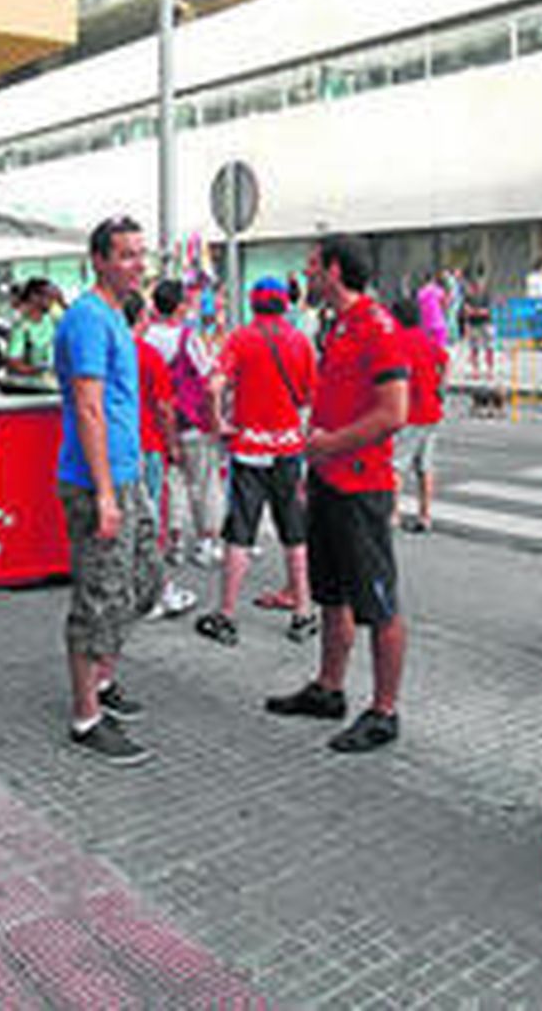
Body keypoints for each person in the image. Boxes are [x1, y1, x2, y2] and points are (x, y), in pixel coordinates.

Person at [266, 234, 410, 754]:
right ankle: (329, 689)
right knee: (332, 594)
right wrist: (317, 460)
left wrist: (330, 445)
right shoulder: (339, 326)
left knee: (379, 604)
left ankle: (384, 710)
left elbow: (394, 413)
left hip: (361, 485)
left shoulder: (379, 328)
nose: (305, 276)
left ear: (332, 270)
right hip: (328, 480)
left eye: (310, 266)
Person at [55, 217, 160, 766]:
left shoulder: (118, 314)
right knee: (98, 597)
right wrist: (104, 495)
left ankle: (102, 676)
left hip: (126, 471)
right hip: (97, 478)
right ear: (98, 259)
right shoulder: (88, 319)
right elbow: (90, 407)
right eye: (126, 255)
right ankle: (85, 715)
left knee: (144, 582)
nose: (138, 264)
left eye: (141, 254)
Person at [194, 276, 318, 647]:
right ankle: (303, 614)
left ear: (253, 303)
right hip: (288, 449)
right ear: (285, 304)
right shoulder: (301, 342)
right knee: (294, 533)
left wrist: (219, 422)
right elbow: (312, 397)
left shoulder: (240, 338)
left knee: (240, 533)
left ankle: (227, 615)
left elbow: (213, 385)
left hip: (249, 449)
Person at [122, 291, 196, 621]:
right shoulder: (146, 355)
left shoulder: (107, 352)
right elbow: (165, 409)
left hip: (115, 448)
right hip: (147, 446)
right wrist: (173, 446)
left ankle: (129, 591)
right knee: (149, 521)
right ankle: (154, 593)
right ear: (141, 318)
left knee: (123, 523)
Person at [143, 278, 223, 565]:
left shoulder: (147, 335)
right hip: (191, 421)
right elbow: (208, 378)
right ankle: (206, 542)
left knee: (172, 482)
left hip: (158, 423)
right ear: (180, 306)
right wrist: (216, 420)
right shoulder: (187, 337)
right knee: (203, 483)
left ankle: (173, 541)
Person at [389, 295, 447, 533]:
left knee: (396, 466)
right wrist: (440, 387)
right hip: (432, 412)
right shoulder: (426, 340)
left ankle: (393, 514)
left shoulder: (396, 342)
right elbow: (444, 360)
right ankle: (425, 515)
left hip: (408, 413)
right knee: (425, 467)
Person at [6, 277, 59, 385]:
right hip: (32, 386)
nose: (52, 299)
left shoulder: (52, 321)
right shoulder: (21, 327)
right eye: (47, 295)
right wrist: (40, 370)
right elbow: (14, 363)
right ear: (33, 296)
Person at [461, 265, 494, 378]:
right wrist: (467, 323)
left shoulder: (485, 294)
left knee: (488, 347)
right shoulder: (468, 295)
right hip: (473, 324)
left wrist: (476, 312)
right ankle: (476, 370)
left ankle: (489, 370)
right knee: (474, 348)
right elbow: (466, 310)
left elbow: (487, 311)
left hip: (485, 323)